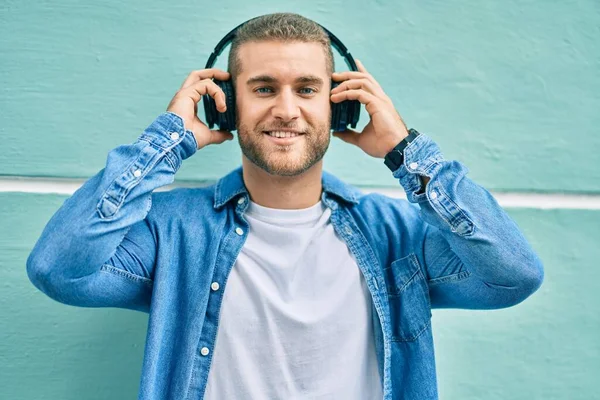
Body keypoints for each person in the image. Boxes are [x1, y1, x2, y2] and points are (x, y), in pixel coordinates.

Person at [26, 12, 544, 400]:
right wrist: (164, 143)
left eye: (307, 89)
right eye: (264, 88)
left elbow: (513, 275)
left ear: (339, 105)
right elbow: (58, 269)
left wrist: (406, 153)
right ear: (225, 103)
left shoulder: (398, 233)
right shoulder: (169, 230)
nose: (286, 109)